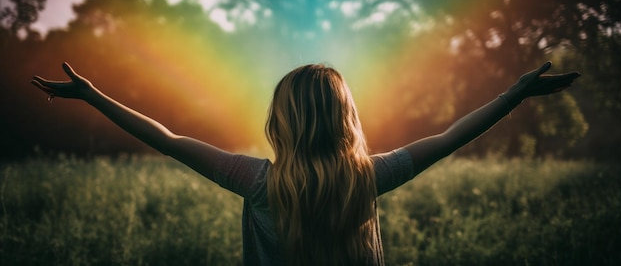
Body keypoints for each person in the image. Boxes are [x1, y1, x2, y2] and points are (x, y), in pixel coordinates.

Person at [32, 61, 580, 266]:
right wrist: (514, 96)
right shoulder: (371, 176)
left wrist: (94, 96)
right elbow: (452, 136)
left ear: (281, 121)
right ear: (347, 119)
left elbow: (167, 139)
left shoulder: (257, 182)